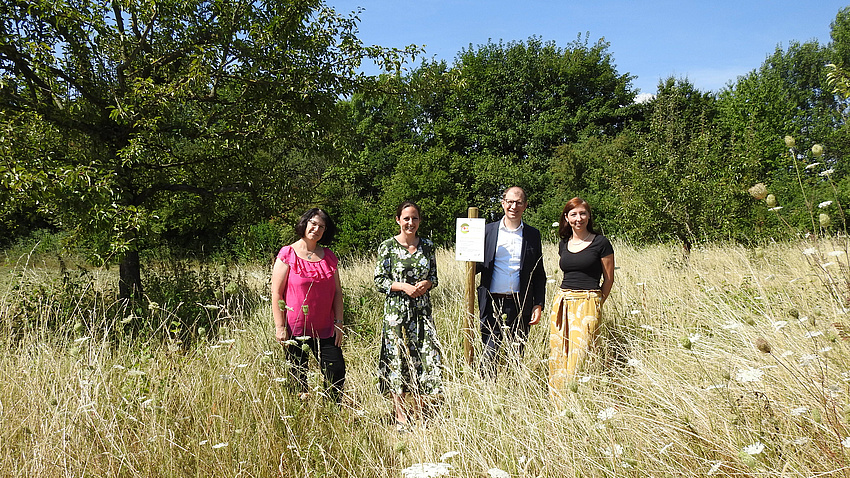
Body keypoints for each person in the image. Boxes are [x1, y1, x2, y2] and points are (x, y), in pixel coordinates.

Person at [374, 201, 443, 430]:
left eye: (414, 218)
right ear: (398, 220)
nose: (410, 223)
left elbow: (434, 276)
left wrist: (427, 283)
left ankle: (422, 411)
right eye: (406, 218)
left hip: (422, 310)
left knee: (425, 357)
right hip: (396, 310)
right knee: (397, 358)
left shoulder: (428, 246)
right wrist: (403, 287)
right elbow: (379, 280)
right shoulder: (387, 247)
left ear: (420, 221)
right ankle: (401, 415)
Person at [271, 208, 345, 402]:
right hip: (295, 329)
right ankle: (302, 419)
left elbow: (337, 292)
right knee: (298, 377)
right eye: (313, 223)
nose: (316, 229)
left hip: (326, 328)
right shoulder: (288, 253)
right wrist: (280, 327)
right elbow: (277, 292)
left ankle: (331, 413)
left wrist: (339, 322)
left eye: (322, 226)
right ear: (304, 223)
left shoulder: (329, 256)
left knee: (336, 372)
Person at [477, 186, 546, 377]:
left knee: (516, 355)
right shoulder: (486, 231)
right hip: (491, 303)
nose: (513, 206)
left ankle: (513, 395)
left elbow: (538, 273)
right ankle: (487, 395)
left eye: (518, 202)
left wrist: (538, 304)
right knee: (489, 354)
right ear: (502, 203)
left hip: (520, 303)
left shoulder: (533, 235)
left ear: (525, 205)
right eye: (509, 201)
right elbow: (473, 267)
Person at [549, 197, 614, 399]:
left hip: (588, 302)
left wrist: (594, 304)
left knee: (582, 355)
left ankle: (582, 399)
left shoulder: (601, 243)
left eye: (583, 213)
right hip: (562, 302)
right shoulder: (563, 244)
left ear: (588, 216)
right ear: (566, 218)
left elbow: (609, 280)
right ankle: (559, 401)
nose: (579, 218)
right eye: (574, 214)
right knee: (559, 353)